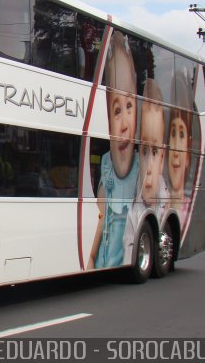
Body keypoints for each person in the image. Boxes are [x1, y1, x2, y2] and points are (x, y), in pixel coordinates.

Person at [88, 31, 139, 269]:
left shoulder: (141, 168)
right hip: (102, 260)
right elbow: (99, 214)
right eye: (117, 111)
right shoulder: (106, 162)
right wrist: (89, 257)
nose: (124, 122)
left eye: (129, 105)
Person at [124, 79, 169, 263]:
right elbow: (127, 246)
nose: (149, 167)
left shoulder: (166, 200)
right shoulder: (134, 207)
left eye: (155, 151)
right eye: (144, 151)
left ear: (163, 157)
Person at [167, 71, 194, 225]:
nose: (176, 150)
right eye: (173, 133)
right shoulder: (155, 202)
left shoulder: (189, 212)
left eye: (182, 135)